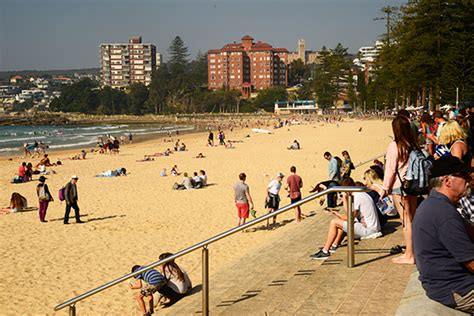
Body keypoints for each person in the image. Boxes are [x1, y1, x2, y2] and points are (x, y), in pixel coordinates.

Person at [412, 156, 474, 314]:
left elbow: (470, 231)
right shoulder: (443, 213)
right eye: (464, 176)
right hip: (458, 289)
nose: (469, 180)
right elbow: (471, 263)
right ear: (447, 181)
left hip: (445, 283)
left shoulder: (436, 203)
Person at [310, 177, 382, 259]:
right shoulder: (360, 193)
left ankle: (325, 251)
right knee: (341, 222)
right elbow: (350, 215)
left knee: (334, 222)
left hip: (369, 230)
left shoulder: (357, 196)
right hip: (372, 227)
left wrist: (343, 200)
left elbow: (349, 217)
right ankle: (334, 245)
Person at [382, 115, 419, 265]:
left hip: (400, 186)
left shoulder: (395, 145)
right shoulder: (413, 144)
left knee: (406, 221)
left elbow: (390, 169)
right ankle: (414, 251)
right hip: (413, 185)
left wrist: (384, 188)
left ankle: (410, 254)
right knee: (413, 219)